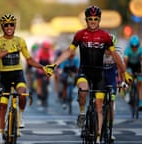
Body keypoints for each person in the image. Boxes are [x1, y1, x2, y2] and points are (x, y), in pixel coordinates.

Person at [46, 6, 132, 143]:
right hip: (84, 71)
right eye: (90, 19)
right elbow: (69, 51)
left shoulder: (105, 36)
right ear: (86, 20)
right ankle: (81, 113)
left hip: (99, 74)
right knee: (83, 90)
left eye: (95, 19)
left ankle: (97, 138)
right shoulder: (80, 34)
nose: (93, 21)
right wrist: (54, 64)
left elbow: (115, 55)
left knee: (99, 107)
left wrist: (124, 73)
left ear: (99, 20)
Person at [0, 14, 52, 144]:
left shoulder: (20, 41)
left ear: (15, 25)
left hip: (18, 74)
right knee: (2, 106)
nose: (9, 27)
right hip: (4, 77)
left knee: (22, 93)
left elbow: (29, 59)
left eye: (11, 24)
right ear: (2, 26)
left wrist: (43, 67)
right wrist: (5, 52)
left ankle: (20, 117)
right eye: (6, 25)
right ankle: (1, 137)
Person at [103, 33, 123, 141]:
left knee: (111, 103)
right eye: (106, 48)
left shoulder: (117, 53)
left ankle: (109, 129)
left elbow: (121, 68)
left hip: (111, 77)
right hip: (100, 76)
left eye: (111, 48)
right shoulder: (98, 53)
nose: (108, 51)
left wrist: (121, 81)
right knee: (97, 99)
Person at [124, 34, 142, 109]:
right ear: (130, 45)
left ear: (138, 45)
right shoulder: (127, 50)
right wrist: (125, 73)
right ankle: (128, 92)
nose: (134, 48)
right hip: (129, 65)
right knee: (129, 78)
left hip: (137, 65)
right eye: (133, 46)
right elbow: (125, 62)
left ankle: (140, 101)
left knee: (140, 83)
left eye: (136, 46)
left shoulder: (140, 50)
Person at [35, 41, 54, 107]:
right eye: (45, 48)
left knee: (47, 81)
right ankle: (39, 98)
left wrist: (52, 69)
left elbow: (51, 61)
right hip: (40, 66)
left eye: (47, 48)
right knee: (39, 84)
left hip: (47, 66)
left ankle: (47, 85)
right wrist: (38, 68)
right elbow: (37, 60)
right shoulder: (39, 51)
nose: (46, 49)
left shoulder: (50, 51)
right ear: (42, 48)